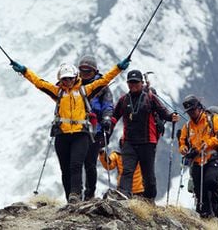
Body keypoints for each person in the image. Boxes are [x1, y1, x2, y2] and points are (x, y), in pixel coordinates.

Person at [10, 57, 130, 203]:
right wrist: (24, 71)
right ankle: (70, 199)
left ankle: (75, 195)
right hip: (62, 135)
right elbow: (38, 83)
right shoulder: (57, 92)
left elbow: (104, 80)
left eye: (70, 78)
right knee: (65, 169)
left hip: (81, 134)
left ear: (75, 77)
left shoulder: (85, 90)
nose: (67, 81)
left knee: (76, 165)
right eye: (64, 79)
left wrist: (119, 67)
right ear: (60, 79)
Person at [111, 69, 179, 202]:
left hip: (147, 142)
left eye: (136, 82)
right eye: (131, 82)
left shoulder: (150, 98)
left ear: (142, 83)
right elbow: (115, 116)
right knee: (127, 170)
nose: (133, 85)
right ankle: (123, 195)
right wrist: (108, 129)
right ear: (127, 83)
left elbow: (163, 112)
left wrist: (171, 117)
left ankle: (149, 199)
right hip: (129, 142)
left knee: (148, 174)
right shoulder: (123, 100)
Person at [178, 95, 218, 218]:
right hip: (196, 160)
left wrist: (209, 143)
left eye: (193, 110)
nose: (191, 113)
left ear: (199, 107)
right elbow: (182, 142)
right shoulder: (188, 126)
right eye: (189, 111)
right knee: (199, 189)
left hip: (212, 157)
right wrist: (183, 149)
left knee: (210, 180)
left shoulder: (212, 119)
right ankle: (205, 214)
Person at [78, 55, 114, 200]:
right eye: (82, 70)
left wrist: (106, 118)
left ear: (95, 71)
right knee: (75, 163)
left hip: (95, 131)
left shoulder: (102, 87)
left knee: (90, 164)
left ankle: (89, 194)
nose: (85, 73)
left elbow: (108, 105)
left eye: (89, 71)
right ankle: (75, 193)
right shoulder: (75, 84)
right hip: (77, 131)